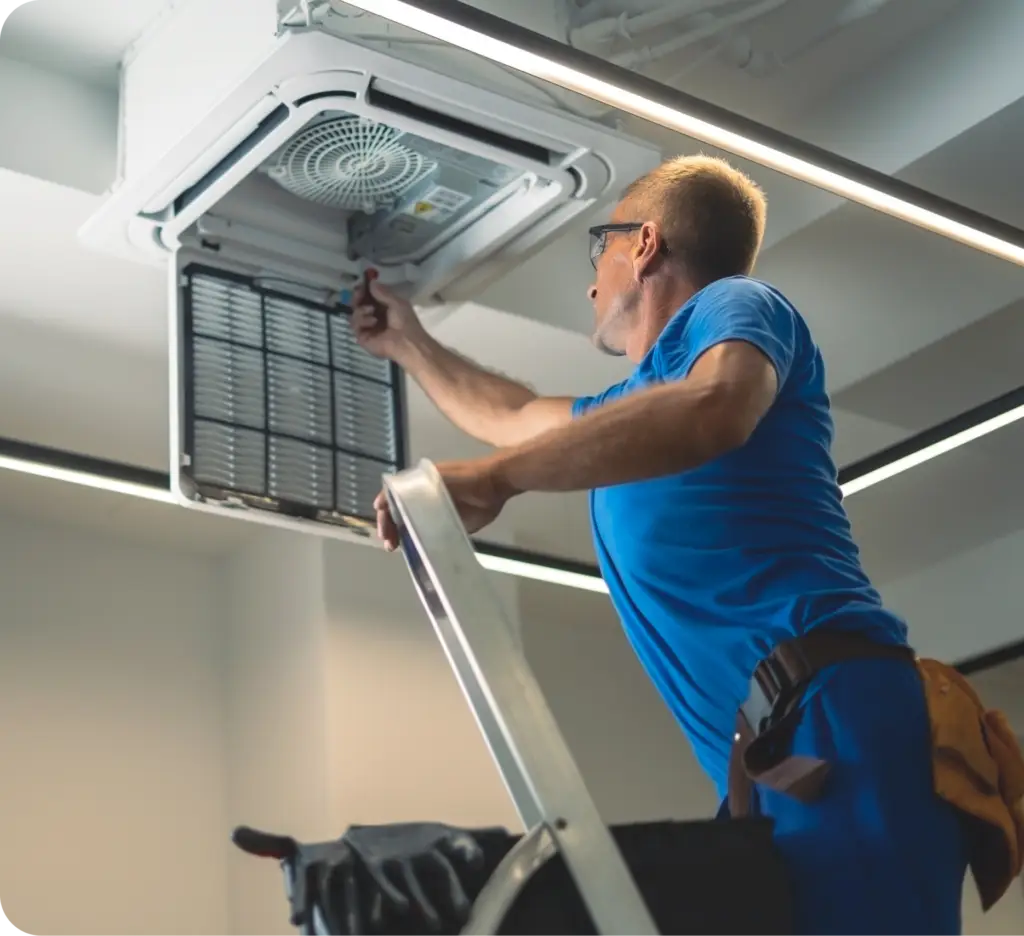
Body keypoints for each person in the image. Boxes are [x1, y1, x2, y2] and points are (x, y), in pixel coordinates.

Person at [350, 155, 976, 935]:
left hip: (831, 715)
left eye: (597, 253)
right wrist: (411, 343)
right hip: (770, 752)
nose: (590, 284)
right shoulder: (630, 408)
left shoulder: (738, 306)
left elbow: (718, 407)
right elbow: (509, 415)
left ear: (643, 245)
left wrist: (500, 478)